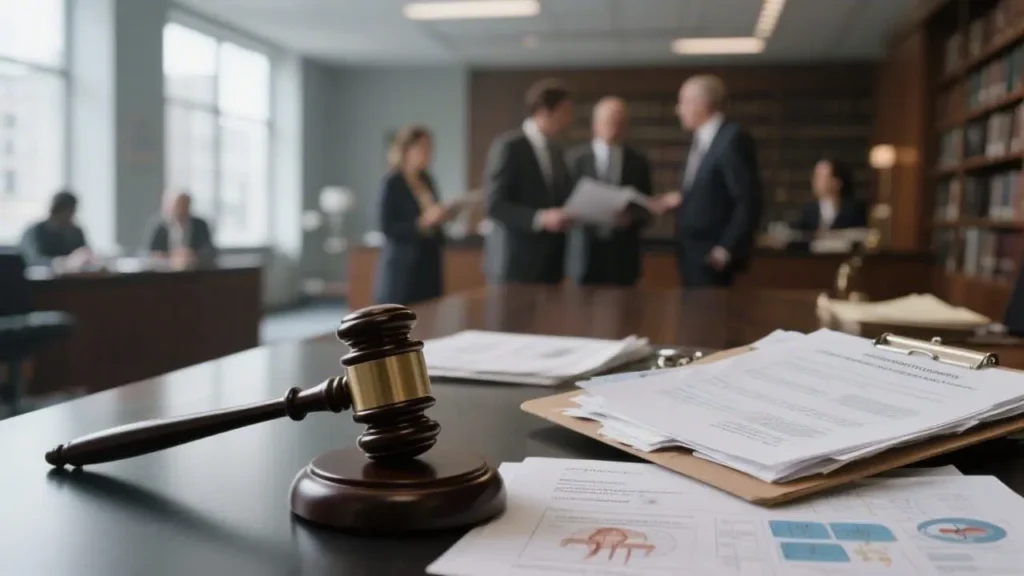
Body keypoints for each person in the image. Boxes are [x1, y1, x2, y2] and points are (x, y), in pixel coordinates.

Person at [653, 75, 762, 288]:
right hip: (692, 254)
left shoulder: (732, 139)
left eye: (682, 102)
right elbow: (712, 190)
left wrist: (725, 248)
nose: (678, 110)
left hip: (714, 255)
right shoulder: (702, 140)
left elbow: (748, 199)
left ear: (700, 104)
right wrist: (682, 198)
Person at [483, 78, 575, 285]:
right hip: (515, 265)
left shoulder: (558, 152)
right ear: (543, 111)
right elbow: (494, 205)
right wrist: (540, 218)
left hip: (551, 267)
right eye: (564, 113)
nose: (568, 120)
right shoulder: (509, 146)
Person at [566, 96, 653, 286]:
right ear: (595, 124)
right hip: (585, 253)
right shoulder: (574, 160)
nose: (614, 127)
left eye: (619, 122)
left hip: (623, 255)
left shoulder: (638, 162)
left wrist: (632, 217)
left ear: (626, 126)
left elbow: (648, 207)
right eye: (609, 121)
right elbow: (563, 203)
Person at [372, 125, 451, 306]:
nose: (428, 153)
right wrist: (420, 224)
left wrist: (443, 216)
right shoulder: (392, 182)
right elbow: (387, 227)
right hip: (403, 267)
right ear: (406, 150)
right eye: (423, 148)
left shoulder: (427, 180)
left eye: (430, 148)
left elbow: (433, 215)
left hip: (429, 261)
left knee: (429, 320)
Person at [20, 190, 95, 268]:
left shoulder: (75, 232)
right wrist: (60, 262)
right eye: (67, 212)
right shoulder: (34, 232)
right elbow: (33, 260)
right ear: (56, 210)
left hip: (73, 278)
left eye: (72, 212)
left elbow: (86, 254)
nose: (70, 217)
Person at [142, 188, 216, 268]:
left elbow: (210, 250)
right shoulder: (159, 225)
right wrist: (168, 256)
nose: (180, 209)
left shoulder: (200, 225)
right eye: (177, 205)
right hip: (163, 273)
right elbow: (146, 252)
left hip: (194, 272)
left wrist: (193, 253)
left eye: (184, 205)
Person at [792, 158, 868, 232]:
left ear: (837, 182)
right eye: (815, 176)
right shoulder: (808, 211)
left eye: (821, 177)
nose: (815, 181)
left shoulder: (854, 210)